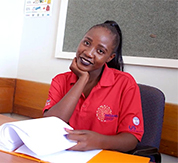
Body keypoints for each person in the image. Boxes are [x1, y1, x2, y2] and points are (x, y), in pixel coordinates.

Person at [43, 20, 144, 152]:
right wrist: (82, 79)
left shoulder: (125, 83)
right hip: (64, 155)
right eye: (86, 43)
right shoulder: (60, 80)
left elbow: (131, 140)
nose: (89, 53)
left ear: (110, 57)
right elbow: (48, 125)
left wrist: (98, 141)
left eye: (100, 51)